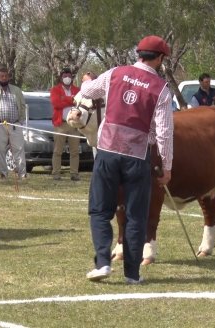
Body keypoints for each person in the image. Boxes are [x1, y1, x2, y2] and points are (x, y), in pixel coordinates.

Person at [80, 35, 174, 284]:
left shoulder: (115, 73)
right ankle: (132, 273)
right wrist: (167, 167)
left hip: (108, 152)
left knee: (100, 209)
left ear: (138, 53)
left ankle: (102, 263)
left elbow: (87, 92)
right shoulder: (162, 90)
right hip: (138, 156)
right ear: (160, 58)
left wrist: (88, 82)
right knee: (136, 215)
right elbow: (164, 133)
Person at [0, 67, 27, 178]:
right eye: (1, 76)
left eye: (5, 76)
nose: (3, 78)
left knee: (19, 149)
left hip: (14, 124)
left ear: (9, 77)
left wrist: (21, 121)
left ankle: (22, 173)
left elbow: (22, 106)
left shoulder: (16, 90)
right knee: (0, 151)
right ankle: (3, 173)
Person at [50, 67, 81, 181]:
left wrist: (65, 99)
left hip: (74, 124)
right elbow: (56, 103)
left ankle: (74, 173)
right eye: (64, 76)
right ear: (61, 77)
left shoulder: (77, 90)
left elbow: (79, 102)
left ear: (72, 77)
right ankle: (56, 173)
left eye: (69, 76)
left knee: (75, 151)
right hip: (60, 124)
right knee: (58, 150)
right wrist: (70, 99)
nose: (67, 78)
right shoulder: (55, 89)